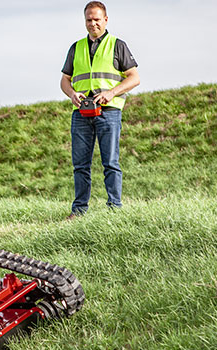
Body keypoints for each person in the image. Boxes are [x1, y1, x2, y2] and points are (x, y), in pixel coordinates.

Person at [60, 1, 140, 218]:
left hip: (109, 111)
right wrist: (72, 94)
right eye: (89, 19)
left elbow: (134, 78)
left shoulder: (117, 45)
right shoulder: (76, 48)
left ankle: (115, 209)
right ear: (84, 21)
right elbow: (65, 80)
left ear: (105, 20)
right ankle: (79, 211)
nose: (93, 23)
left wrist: (111, 93)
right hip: (81, 112)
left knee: (111, 163)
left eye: (97, 19)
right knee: (80, 165)